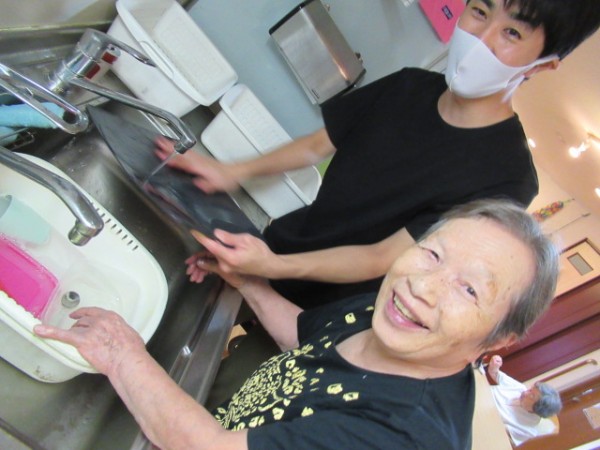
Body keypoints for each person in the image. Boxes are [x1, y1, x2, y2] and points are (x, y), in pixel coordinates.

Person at [158, 0, 600, 309]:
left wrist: (272, 267)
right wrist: (231, 172)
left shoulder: (508, 179)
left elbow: (382, 257)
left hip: (326, 311)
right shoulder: (409, 85)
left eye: (512, 32)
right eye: (480, 12)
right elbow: (317, 144)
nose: (481, 38)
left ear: (543, 65)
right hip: (283, 244)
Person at [34, 199, 560, 450]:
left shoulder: (400, 437)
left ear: (498, 339)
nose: (424, 286)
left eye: (470, 290)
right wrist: (250, 284)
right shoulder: (393, 312)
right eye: (432, 253)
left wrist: (122, 353)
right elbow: (311, 340)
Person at [484, 354, 562, 446]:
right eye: (530, 390)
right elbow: (494, 372)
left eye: (531, 396)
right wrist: (495, 364)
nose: (525, 393)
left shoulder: (527, 429)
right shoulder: (520, 388)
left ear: (536, 409)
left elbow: (497, 436)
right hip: (477, 394)